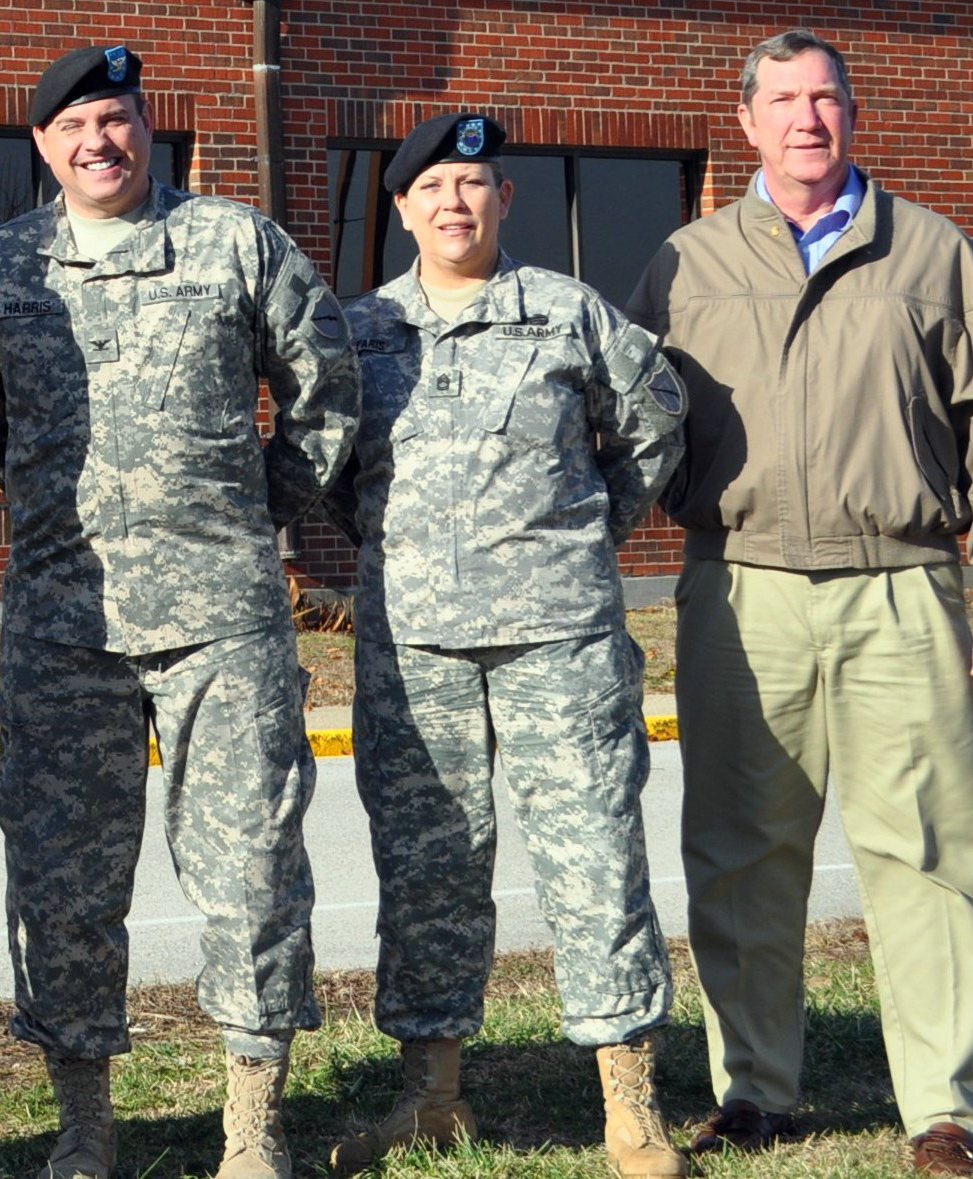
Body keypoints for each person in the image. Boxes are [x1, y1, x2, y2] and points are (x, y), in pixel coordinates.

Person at [0, 44, 359, 1179]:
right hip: (59, 620)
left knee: (248, 868)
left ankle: (251, 1122)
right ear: (40, 146)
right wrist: (44, 498)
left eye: (115, 117)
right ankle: (85, 1120)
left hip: (220, 619)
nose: (97, 141)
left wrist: (253, 505)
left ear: (148, 126)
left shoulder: (234, 243)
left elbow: (323, 390)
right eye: (72, 126)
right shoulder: (3, 264)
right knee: (60, 878)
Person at [628, 29, 973, 1177]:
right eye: (781, 99)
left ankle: (944, 1106)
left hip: (902, 583)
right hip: (739, 588)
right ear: (742, 123)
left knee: (931, 852)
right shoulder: (685, 263)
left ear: (851, 115)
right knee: (739, 850)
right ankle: (754, 1089)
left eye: (825, 97)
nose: (805, 118)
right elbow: (618, 421)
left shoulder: (932, 254)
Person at [325, 113, 688, 1179]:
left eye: (473, 183)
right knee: (426, 866)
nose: (452, 202)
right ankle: (429, 1095)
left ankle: (629, 1102)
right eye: (430, 185)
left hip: (558, 640)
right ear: (399, 209)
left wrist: (576, 535)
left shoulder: (568, 313)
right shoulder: (359, 333)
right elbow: (329, 468)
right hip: (415, 644)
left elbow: (653, 425)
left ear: (503, 201)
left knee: (594, 859)